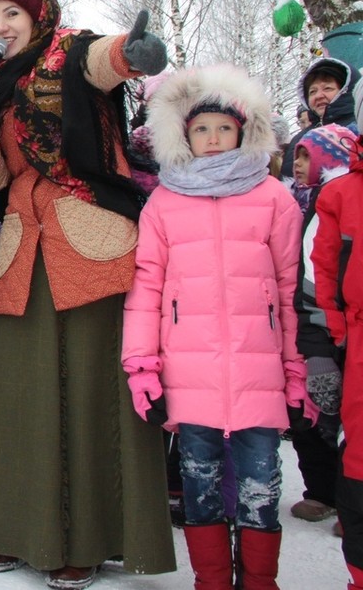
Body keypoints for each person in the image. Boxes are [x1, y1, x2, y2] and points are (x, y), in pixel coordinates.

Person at [0, 0, 174, 588]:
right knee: (13, 391)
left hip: (91, 242)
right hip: (24, 248)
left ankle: (90, 537)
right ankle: (9, 529)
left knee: (88, 392)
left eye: (10, 13)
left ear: (38, 15)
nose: (0, 26)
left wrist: (130, 53)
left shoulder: (71, 50)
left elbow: (102, 65)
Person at [121, 64, 311, 589]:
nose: (212, 138)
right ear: (184, 134)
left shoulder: (273, 197)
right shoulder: (163, 201)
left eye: (222, 128)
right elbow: (146, 293)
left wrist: (296, 371)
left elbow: (291, 290)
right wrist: (142, 369)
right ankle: (210, 580)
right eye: (201, 128)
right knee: (199, 485)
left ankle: (259, 581)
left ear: (243, 131)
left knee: (260, 488)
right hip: (189, 376)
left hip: (260, 374)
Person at [291, 124, 359, 531]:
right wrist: (317, 345)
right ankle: (325, 492)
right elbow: (313, 281)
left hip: (344, 325)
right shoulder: (315, 201)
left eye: (307, 157)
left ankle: (349, 499)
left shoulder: (331, 198)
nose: (298, 166)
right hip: (324, 327)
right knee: (314, 416)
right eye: (296, 157)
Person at [312, 101, 363, 590]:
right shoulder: (341, 192)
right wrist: (341, 334)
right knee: (360, 460)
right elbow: (321, 268)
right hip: (360, 341)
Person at [281, 55, 359, 178]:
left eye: (327, 88)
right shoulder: (301, 137)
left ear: (346, 90)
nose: (318, 96)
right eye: (312, 91)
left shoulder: (357, 129)